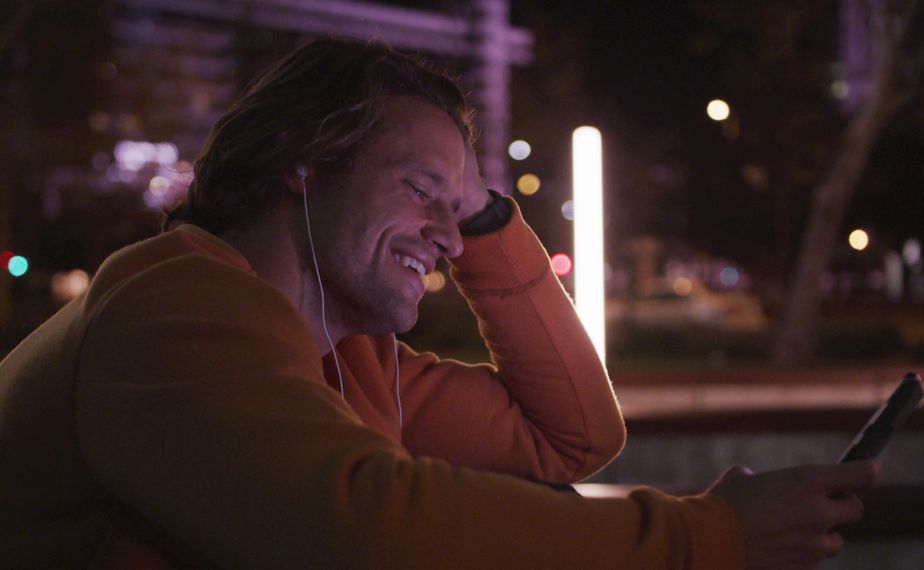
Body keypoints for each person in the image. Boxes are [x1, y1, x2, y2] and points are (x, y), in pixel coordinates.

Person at [0, 38, 879, 569]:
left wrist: (488, 218)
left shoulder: (343, 361)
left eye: (461, 212)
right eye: (422, 189)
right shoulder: (172, 303)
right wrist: (707, 542)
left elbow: (573, 438)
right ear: (302, 160)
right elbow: (366, 533)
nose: (452, 242)